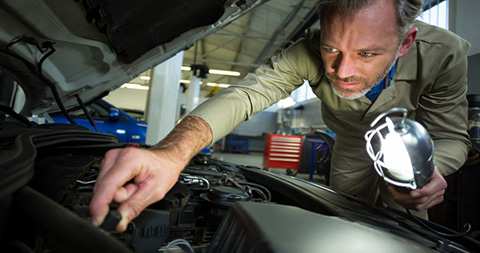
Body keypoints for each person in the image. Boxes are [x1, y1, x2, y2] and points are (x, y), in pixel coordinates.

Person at [90, 0, 471, 232]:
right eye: (331, 49)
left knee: (407, 226)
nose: (342, 70)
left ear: (405, 43)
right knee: (341, 215)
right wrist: (172, 152)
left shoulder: (444, 54)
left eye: (367, 54)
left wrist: (434, 170)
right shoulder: (305, 51)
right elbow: (246, 95)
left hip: (415, 150)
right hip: (353, 143)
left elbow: (453, 135)